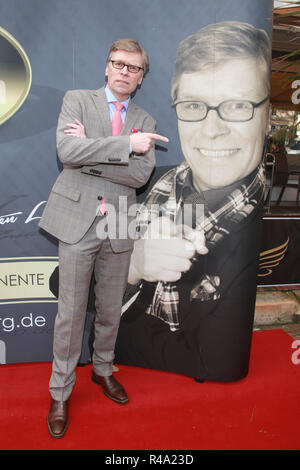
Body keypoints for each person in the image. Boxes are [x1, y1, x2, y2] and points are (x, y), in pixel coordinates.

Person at [114, 22, 271, 382]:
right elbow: (64, 280)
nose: (212, 129)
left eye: (237, 105)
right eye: (194, 105)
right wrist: (133, 262)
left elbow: (215, 362)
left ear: (266, 116)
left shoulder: (264, 225)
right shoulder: (142, 182)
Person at [39, 38, 168, 439]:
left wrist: (89, 155)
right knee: (71, 313)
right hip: (77, 217)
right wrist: (126, 146)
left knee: (111, 307)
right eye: (119, 63)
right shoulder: (77, 100)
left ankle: (102, 370)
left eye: (135, 68)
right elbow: (65, 150)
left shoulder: (146, 119)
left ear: (142, 76)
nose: (125, 71)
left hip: (120, 220)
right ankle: (60, 392)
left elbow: (139, 176)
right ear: (107, 66)